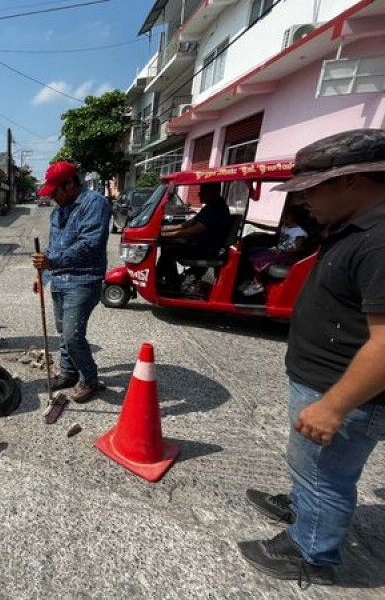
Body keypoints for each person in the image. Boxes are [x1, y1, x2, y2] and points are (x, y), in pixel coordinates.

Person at [238, 129, 385, 586]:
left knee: (325, 475)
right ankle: (306, 508)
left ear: (351, 181)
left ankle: (310, 552)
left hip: (342, 390)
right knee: (315, 469)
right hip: (323, 378)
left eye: (312, 189)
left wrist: (335, 405)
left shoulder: (380, 240)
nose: (303, 202)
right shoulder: (353, 226)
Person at [31, 161, 111, 403]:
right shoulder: (59, 211)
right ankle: (68, 373)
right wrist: (43, 275)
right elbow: (53, 246)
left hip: (84, 279)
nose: (53, 197)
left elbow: (90, 245)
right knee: (63, 331)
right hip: (59, 280)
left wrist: (51, 261)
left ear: (70, 183)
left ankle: (89, 379)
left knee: (73, 334)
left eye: (55, 191)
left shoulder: (94, 204)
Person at [157, 182, 232, 291]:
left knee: (169, 249)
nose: (199, 194)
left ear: (212, 192)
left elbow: (195, 230)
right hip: (200, 244)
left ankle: (171, 282)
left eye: (202, 192)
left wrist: (167, 235)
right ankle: (170, 280)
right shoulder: (210, 207)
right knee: (167, 244)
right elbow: (188, 224)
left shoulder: (217, 209)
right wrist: (163, 230)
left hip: (206, 249)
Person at [238, 206, 308, 296]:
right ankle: (251, 279)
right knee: (252, 252)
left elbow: (297, 248)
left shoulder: (299, 232)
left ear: (295, 218)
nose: (283, 218)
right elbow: (272, 232)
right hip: (278, 250)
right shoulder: (285, 227)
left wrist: (284, 250)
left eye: (286, 217)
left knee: (259, 259)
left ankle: (258, 284)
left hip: (287, 255)